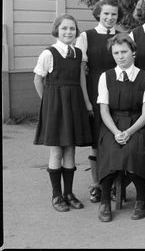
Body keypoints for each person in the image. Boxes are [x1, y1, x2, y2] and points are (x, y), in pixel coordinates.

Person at [33, 14, 93, 212]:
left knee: (70, 150)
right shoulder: (48, 54)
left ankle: (69, 193)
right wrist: (49, 104)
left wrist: (86, 104)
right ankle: (56, 195)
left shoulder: (78, 53)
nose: (69, 32)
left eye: (72, 29)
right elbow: (38, 81)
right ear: (57, 30)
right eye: (65, 28)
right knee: (57, 150)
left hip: (74, 104)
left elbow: (81, 81)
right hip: (55, 106)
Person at [96, 33, 145, 222]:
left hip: (137, 125)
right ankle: (105, 200)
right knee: (111, 149)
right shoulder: (106, 77)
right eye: (116, 53)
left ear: (133, 52)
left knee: (133, 149)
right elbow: (104, 111)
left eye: (124, 52)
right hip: (112, 125)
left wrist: (129, 132)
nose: (120, 56)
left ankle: (142, 199)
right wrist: (116, 132)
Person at [76, 0, 122, 203]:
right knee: (96, 141)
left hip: (118, 90)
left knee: (115, 138)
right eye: (106, 14)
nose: (110, 18)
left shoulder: (122, 37)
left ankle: (113, 187)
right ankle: (96, 185)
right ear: (98, 14)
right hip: (95, 89)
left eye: (114, 14)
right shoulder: (86, 36)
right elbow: (81, 72)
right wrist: (87, 101)